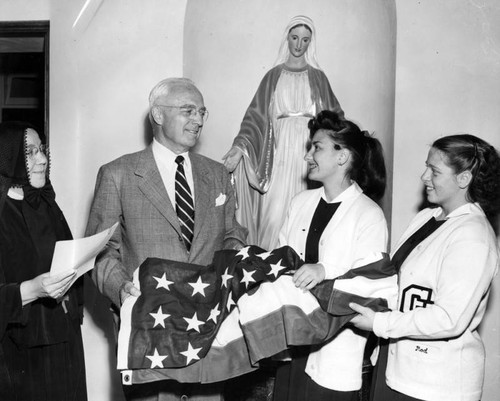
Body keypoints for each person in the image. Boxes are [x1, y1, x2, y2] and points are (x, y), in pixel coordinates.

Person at [85, 77, 248, 401]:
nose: (199, 120)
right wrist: (122, 288)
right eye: (188, 111)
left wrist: (234, 265)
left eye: (202, 112)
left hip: (207, 326)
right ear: (158, 115)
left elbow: (233, 234)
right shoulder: (118, 174)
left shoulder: (217, 174)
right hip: (148, 326)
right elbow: (100, 253)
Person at [350, 134, 500, 401]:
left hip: (435, 382)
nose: (424, 176)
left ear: (463, 179)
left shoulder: (473, 236)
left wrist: (380, 322)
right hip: (396, 364)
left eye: (434, 170)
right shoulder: (426, 217)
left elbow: (449, 318)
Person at [273, 110, 389, 401]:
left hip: (334, 349)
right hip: (293, 339)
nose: (308, 156)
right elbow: (282, 259)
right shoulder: (300, 202)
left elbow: (369, 286)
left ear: (342, 157)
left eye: (317, 147)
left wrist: (324, 269)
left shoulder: (369, 215)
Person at [223, 15, 344, 251]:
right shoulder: (272, 77)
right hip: (278, 153)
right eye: (295, 38)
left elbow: (335, 117)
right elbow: (254, 118)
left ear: (311, 43)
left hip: (310, 149)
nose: (299, 45)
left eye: (305, 40)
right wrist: (240, 147)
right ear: (287, 38)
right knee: (275, 211)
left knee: (307, 210)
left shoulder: (318, 78)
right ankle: (268, 263)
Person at [0, 121, 87, 400]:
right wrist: (33, 290)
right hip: (20, 348)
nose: (42, 159)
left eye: (42, 149)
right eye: (31, 152)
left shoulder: (46, 201)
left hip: (65, 338)